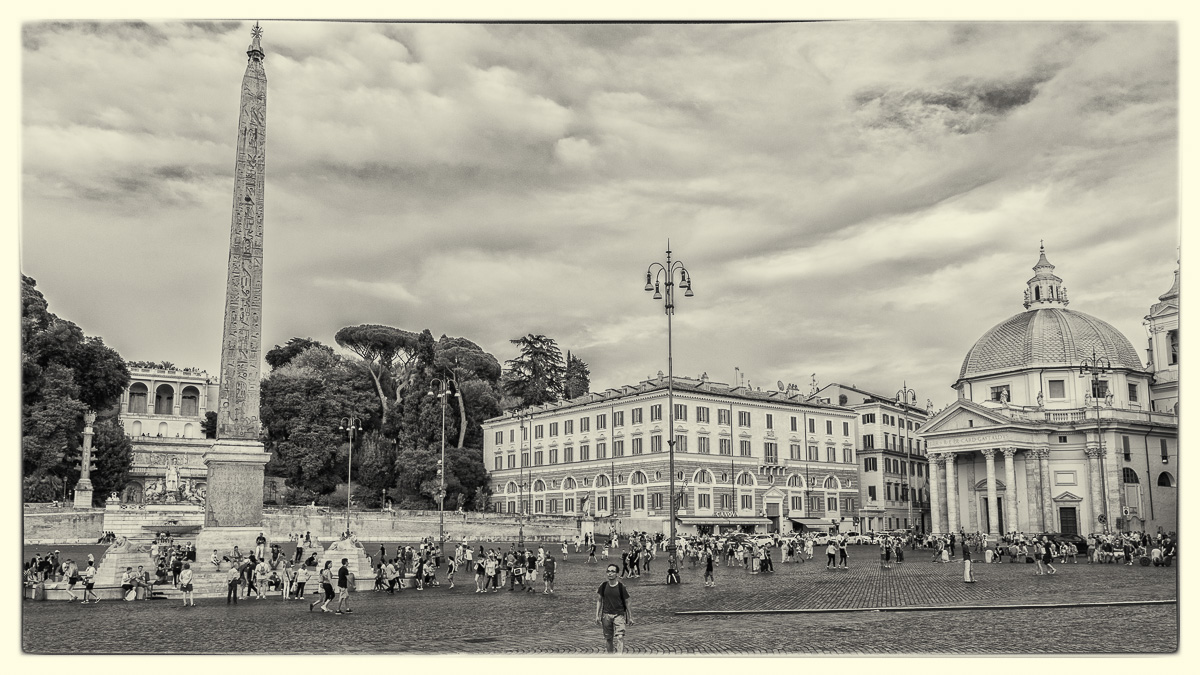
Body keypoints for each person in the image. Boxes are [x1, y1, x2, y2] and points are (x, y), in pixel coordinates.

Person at [595, 564, 632, 654]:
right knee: (608, 639)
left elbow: (627, 602)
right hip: (606, 615)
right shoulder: (603, 586)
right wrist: (597, 615)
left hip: (619, 615)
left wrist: (630, 616)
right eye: (608, 571)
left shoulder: (621, 587)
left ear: (617, 574)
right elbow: (599, 601)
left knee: (620, 636)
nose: (610, 573)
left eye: (612, 571)